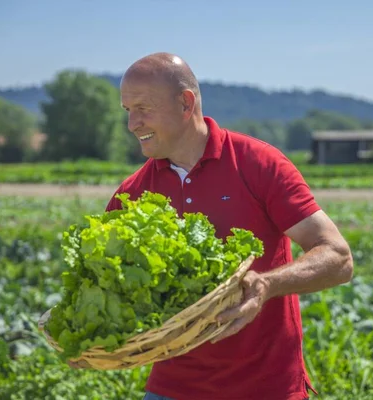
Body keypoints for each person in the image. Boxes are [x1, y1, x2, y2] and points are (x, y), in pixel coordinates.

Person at [79, 52, 354, 400]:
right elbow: (109, 290)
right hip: (171, 390)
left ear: (185, 102)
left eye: (143, 108)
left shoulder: (258, 163)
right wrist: (92, 336)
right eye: (128, 111)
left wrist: (266, 284)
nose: (133, 124)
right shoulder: (132, 193)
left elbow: (338, 258)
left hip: (267, 388)